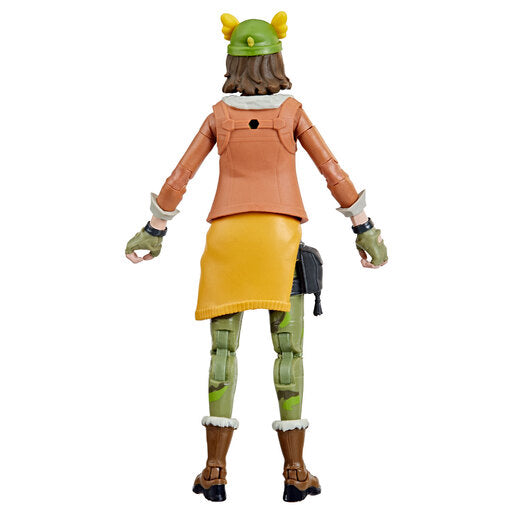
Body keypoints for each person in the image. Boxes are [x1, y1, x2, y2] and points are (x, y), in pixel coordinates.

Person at [125, 12, 388, 503]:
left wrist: (154, 229)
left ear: (233, 62)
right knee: (289, 353)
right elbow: (332, 171)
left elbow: (180, 176)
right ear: (276, 59)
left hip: (227, 240)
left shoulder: (219, 117)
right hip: (279, 240)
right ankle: (295, 471)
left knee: (222, 353)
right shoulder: (291, 113)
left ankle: (215, 469)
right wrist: (364, 228)